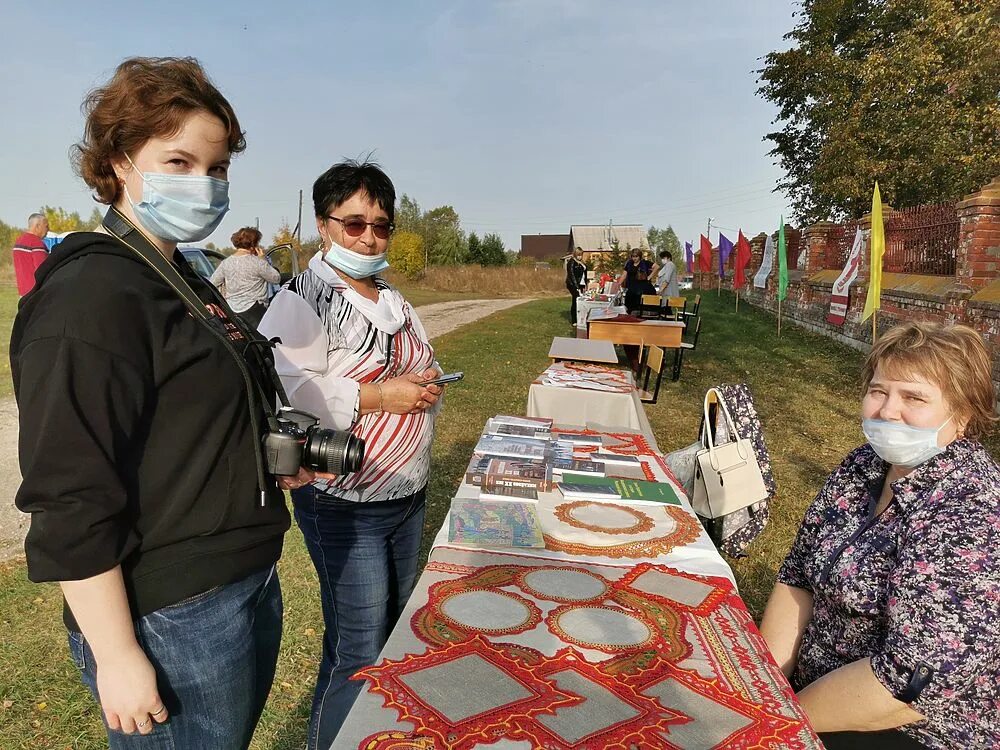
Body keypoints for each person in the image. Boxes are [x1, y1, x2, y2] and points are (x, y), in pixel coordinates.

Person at [10, 57, 306, 749]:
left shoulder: (180, 274)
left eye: (217, 168)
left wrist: (266, 459)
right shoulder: (92, 293)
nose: (204, 184)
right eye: (179, 160)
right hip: (172, 613)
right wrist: (116, 656)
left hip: (241, 582)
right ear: (118, 161)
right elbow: (67, 493)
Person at [259, 159, 443, 749]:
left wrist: (429, 380)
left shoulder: (392, 297)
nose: (369, 237)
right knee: (356, 648)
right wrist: (378, 394)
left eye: (381, 225)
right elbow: (285, 392)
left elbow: (418, 359)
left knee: (391, 634)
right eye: (355, 223)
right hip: (345, 502)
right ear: (323, 223)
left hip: (405, 492)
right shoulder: (302, 297)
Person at [760, 322, 1000, 750]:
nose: (888, 411)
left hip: (910, 730)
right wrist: (763, 685)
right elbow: (799, 575)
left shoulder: (972, 509)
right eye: (878, 391)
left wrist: (778, 722)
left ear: (962, 415)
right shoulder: (863, 466)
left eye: (914, 397)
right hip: (810, 698)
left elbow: (911, 680)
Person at [209, 226, 280, 328]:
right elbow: (276, 278)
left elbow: (213, 283)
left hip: (232, 310)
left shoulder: (226, 263)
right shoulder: (258, 263)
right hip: (256, 310)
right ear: (253, 245)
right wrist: (263, 259)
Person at [12, 212, 50, 295]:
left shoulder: (18, 241)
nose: (48, 230)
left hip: (23, 292)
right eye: (46, 226)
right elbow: (42, 269)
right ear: (37, 226)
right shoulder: (37, 243)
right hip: (36, 293)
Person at [565, 246, 587, 325]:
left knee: (581, 301)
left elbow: (585, 274)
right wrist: (576, 287)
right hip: (573, 284)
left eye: (581, 254)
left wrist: (585, 285)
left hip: (581, 284)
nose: (580, 256)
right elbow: (572, 275)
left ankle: (581, 318)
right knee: (576, 300)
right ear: (575, 254)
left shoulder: (582, 263)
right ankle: (574, 320)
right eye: (578, 254)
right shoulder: (571, 262)